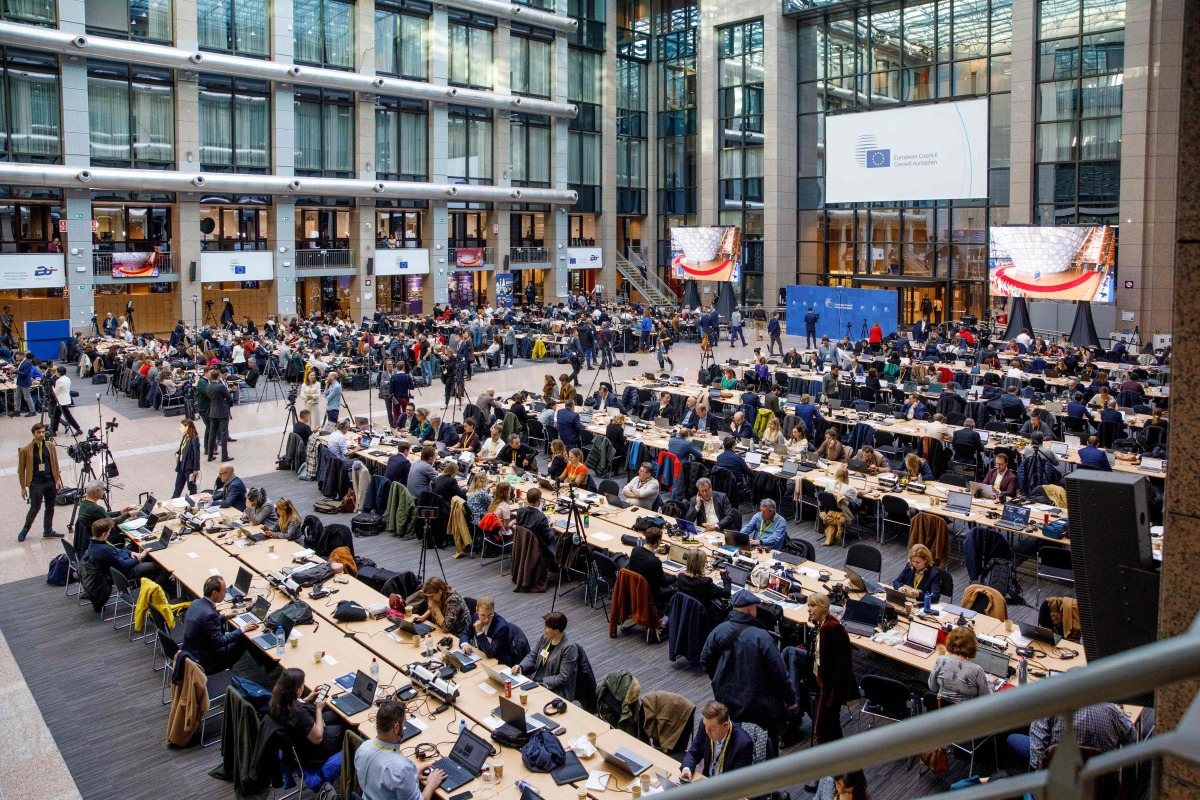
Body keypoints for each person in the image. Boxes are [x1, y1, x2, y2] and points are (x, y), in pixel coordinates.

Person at [700, 590, 798, 742]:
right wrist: (791, 701)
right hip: (759, 707)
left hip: (727, 702)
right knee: (765, 747)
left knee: (734, 744)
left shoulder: (718, 630)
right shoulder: (762, 637)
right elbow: (779, 673)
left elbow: (705, 660)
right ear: (750, 609)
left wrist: (720, 678)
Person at [356, 699, 446, 800]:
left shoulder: (363, 748)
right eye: (404, 724)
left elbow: (384, 779)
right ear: (396, 728)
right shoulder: (401, 768)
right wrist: (430, 785)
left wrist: (412, 775)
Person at [1007, 703, 1137, 771]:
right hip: (1099, 776)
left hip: (1059, 773)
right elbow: (1132, 737)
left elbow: (1037, 756)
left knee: (1013, 738)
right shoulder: (1109, 709)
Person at [269, 667, 346, 769]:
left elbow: (295, 707)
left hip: (299, 739)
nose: (303, 686)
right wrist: (318, 709)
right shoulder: (300, 713)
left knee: (335, 715)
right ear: (297, 689)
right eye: (302, 684)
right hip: (312, 752)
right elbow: (318, 738)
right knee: (345, 728)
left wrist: (305, 699)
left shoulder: (277, 700)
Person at [806, 593, 857, 744]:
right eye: (808, 605)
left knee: (822, 730)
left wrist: (843, 694)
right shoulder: (822, 626)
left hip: (831, 690)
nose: (809, 609)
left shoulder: (833, 628)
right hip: (824, 686)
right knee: (833, 732)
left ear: (823, 608)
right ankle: (848, 767)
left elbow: (844, 665)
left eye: (813, 606)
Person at [181, 575, 255, 674]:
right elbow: (220, 641)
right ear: (214, 593)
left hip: (191, 653)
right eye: (224, 591)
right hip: (207, 662)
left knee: (235, 632)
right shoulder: (210, 615)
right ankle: (224, 672)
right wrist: (243, 629)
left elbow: (203, 623)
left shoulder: (196, 603)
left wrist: (223, 617)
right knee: (244, 638)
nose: (226, 593)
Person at [513, 611, 581, 700]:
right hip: (536, 681)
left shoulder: (569, 648)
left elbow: (562, 678)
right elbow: (532, 656)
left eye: (547, 627)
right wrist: (521, 666)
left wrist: (540, 682)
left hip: (554, 689)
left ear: (556, 631)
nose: (544, 629)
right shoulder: (544, 638)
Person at [680, 700, 754, 780]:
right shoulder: (706, 725)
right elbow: (693, 753)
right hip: (706, 779)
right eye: (705, 726)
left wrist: (708, 785)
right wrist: (687, 769)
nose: (707, 731)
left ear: (725, 725)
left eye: (712, 729)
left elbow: (738, 780)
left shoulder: (743, 743)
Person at [18, 422, 63, 541]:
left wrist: (57, 480)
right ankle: (25, 529)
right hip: (36, 483)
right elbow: (21, 470)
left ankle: (48, 530)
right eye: (39, 432)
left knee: (50, 506)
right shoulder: (25, 450)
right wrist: (23, 487)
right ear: (33, 434)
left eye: (43, 432)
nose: (41, 434)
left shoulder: (50, 446)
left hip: (50, 481)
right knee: (35, 508)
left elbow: (55, 463)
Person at [87, 518, 165, 585]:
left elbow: (117, 549)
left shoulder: (94, 543)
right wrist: (138, 558)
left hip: (124, 562)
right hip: (128, 571)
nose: (109, 534)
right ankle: (154, 591)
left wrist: (131, 553)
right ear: (104, 534)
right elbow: (123, 565)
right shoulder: (105, 549)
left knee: (150, 557)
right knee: (163, 567)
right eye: (109, 532)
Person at [928, 626, 992, 702]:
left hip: (941, 710)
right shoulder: (977, 670)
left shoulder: (941, 660)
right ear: (973, 646)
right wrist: (991, 684)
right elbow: (986, 698)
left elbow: (932, 687)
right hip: (964, 713)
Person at [627, 526, 676, 610]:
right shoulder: (655, 562)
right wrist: (676, 575)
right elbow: (664, 583)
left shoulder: (635, 550)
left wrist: (655, 551)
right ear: (658, 541)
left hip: (635, 589)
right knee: (677, 591)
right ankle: (667, 616)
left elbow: (645, 553)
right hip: (651, 595)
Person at [206, 368, 234, 462]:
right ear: (218, 376)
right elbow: (228, 397)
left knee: (212, 434)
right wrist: (229, 403)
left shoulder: (208, 386)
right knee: (223, 434)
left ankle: (210, 455)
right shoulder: (220, 386)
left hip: (212, 411)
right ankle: (224, 456)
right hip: (222, 411)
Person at [48, 365, 82, 438]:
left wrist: (52, 388)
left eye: (57, 371)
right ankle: (54, 430)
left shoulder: (59, 381)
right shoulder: (67, 378)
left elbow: (56, 392)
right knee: (57, 416)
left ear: (59, 372)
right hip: (65, 399)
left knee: (67, 416)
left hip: (61, 400)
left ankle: (78, 428)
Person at [173, 418, 202, 498]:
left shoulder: (194, 439)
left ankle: (193, 500)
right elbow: (182, 448)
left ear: (187, 427)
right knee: (178, 485)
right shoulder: (185, 437)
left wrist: (196, 468)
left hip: (189, 467)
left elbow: (196, 455)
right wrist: (178, 453)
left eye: (181, 427)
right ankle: (174, 499)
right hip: (182, 465)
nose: (180, 428)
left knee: (191, 487)